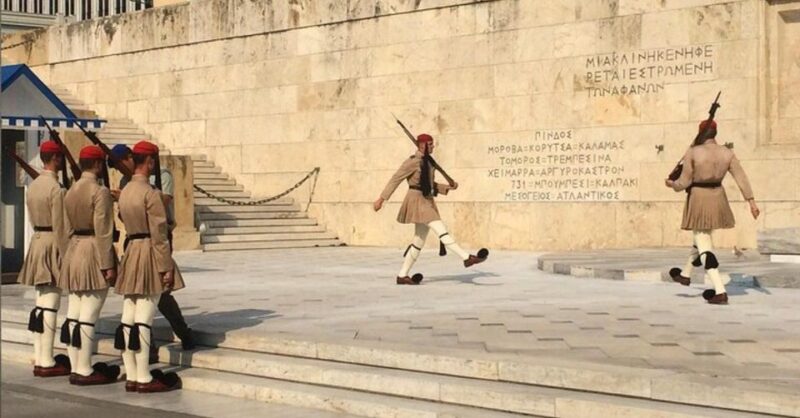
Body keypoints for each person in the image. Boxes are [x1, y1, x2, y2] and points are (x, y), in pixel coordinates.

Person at [108, 144, 195, 350]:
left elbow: (162, 204)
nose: (119, 170)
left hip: (158, 238)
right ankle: (149, 347)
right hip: (136, 239)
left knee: (161, 291)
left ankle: (182, 331)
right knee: (137, 292)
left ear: (131, 158)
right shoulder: (125, 182)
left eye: (120, 164)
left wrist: (131, 197)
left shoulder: (160, 175)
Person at [114, 140, 184, 393]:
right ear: (151, 162)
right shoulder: (150, 193)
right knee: (143, 318)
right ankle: (143, 377)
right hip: (148, 252)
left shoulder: (126, 191)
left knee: (128, 316)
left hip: (131, 250)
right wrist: (165, 267)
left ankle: (132, 373)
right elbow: (159, 233)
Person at [666, 120, 760, 305]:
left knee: (704, 244)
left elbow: (683, 183)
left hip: (699, 198)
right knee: (701, 238)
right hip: (718, 198)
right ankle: (685, 275)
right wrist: (751, 201)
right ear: (715, 133)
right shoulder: (727, 152)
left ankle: (719, 290)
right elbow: (741, 177)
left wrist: (671, 184)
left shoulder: (693, 152)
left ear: (701, 133)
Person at [374, 133, 488, 285]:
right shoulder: (412, 162)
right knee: (441, 230)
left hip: (426, 200)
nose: (433, 146)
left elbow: (430, 184)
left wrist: (448, 187)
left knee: (418, 241)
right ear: (423, 146)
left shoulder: (428, 162)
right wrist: (382, 199)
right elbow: (396, 179)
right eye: (431, 144)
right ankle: (466, 258)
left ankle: (402, 275)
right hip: (417, 200)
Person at [58, 145, 120, 385]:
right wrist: (108, 264)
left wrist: (67, 256)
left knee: (74, 312)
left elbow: (64, 228)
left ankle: (76, 365)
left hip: (74, 249)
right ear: (97, 164)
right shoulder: (100, 191)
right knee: (89, 314)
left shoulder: (71, 190)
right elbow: (104, 231)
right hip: (93, 249)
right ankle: (84, 369)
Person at [17, 140, 72, 377]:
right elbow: (61, 226)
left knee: (40, 303)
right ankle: (47, 360)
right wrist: (67, 255)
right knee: (50, 304)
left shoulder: (35, 185)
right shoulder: (55, 189)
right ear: (57, 159)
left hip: (38, 240)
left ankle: (41, 357)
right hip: (52, 242)